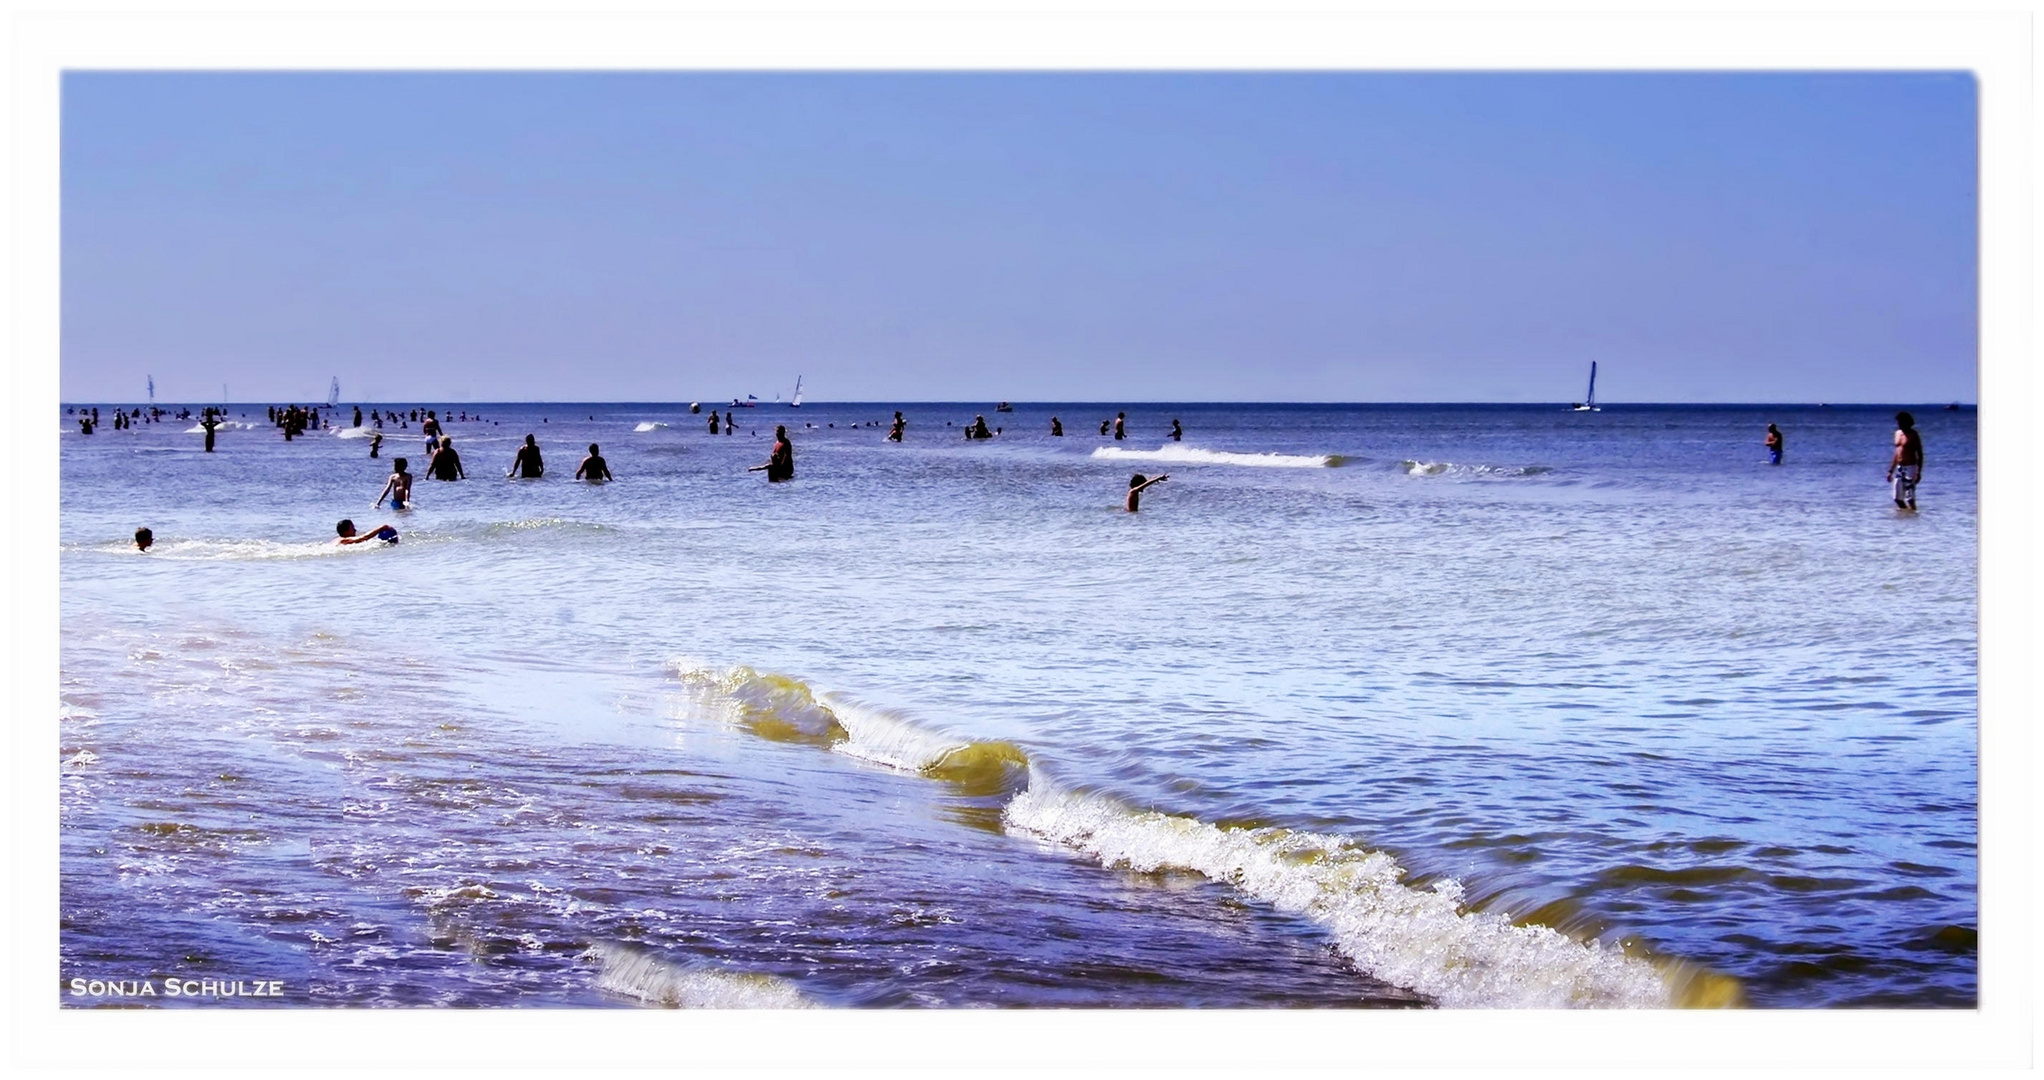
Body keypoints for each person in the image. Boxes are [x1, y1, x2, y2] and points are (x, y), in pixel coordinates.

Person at [1888, 411, 1924, 510]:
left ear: (1907, 422)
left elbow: (1920, 454)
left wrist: (1918, 472)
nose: (1899, 424)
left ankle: (1914, 515)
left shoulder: (1913, 435)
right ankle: (1907, 516)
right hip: (1900, 468)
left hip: (1910, 468)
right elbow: (1897, 453)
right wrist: (1891, 471)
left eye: (1901, 422)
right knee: (1897, 498)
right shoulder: (1897, 433)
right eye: (1898, 422)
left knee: (1910, 498)